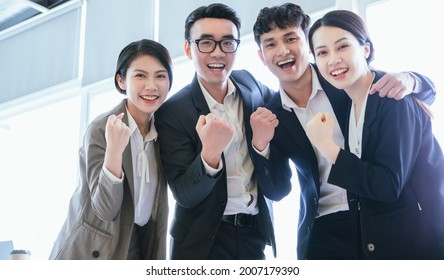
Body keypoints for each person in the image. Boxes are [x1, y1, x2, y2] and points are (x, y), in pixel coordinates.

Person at [249, 3, 437, 259]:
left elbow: (390, 92)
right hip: (323, 224)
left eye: (291, 38)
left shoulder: (342, 78)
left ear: (307, 45)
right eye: (270, 44)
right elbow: (278, 191)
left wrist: (412, 79)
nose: (283, 50)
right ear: (261, 56)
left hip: (378, 211)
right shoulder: (271, 114)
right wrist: (261, 146)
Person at [304, 10, 443, 259]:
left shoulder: (395, 99)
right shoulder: (349, 104)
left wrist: (328, 148)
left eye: (342, 46)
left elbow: (387, 185)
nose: (333, 59)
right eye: (322, 52)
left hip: (422, 245)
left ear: (365, 49)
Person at [155, 3, 276, 260]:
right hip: (202, 244)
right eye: (206, 43)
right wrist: (209, 156)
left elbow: (290, 104)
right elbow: (184, 194)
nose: (218, 53)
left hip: (254, 235)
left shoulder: (250, 84)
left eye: (227, 43)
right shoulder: (172, 112)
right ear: (188, 48)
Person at [49, 39, 172, 260]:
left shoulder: (165, 132)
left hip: (139, 246)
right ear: (122, 81)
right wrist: (114, 151)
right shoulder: (102, 128)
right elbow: (105, 209)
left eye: (160, 76)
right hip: (93, 250)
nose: (152, 86)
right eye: (140, 75)